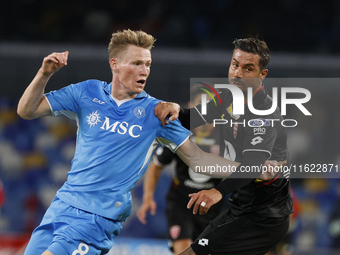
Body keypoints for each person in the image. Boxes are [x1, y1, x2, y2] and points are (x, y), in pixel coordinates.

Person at [17, 30, 277, 255]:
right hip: (62, 206)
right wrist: (44, 74)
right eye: (137, 63)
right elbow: (26, 111)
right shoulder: (86, 92)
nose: (144, 71)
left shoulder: (156, 113)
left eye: (148, 64)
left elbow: (200, 160)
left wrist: (251, 169)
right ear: (115, 64)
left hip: (98, 217)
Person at [155, 37, 293, 255]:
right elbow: (193, 118)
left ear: (261, 75)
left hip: (262, 217)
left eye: (248, 69)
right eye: (235, 65)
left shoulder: (264, 114)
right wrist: (175, 110)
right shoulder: (229, 96)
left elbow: (254, 163)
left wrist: (218, 191)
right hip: (242, 208)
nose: (237, 73)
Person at [137, 86, 223, 254]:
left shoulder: (227, 136)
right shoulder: (180, 130)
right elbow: (157, 165)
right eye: (201, 105)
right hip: (181, 204)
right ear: (191, 106)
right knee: (184, 250)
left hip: (210, 210)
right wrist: (148, 197)